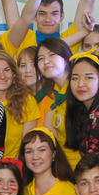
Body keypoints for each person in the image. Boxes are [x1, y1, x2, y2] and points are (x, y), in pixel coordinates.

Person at [0, 48, 40, 158]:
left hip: (15, 163)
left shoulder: (26, 100)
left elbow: (26, 146)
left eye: (6, 70)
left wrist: (13, 166)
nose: (2, 76)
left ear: (13, 73)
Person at [19, 127, 81, 195]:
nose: (35, 157)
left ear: (53, 154)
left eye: (42, 150)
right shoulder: (22, 190)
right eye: (29, 151)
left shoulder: (70, 193)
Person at [34, 38, 80, 168]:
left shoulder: (80, 90)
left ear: (66, 58)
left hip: (86, 170)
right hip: (65, 170)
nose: (46, 61)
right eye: (41, 58)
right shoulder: (55, 96)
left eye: (51, 54)